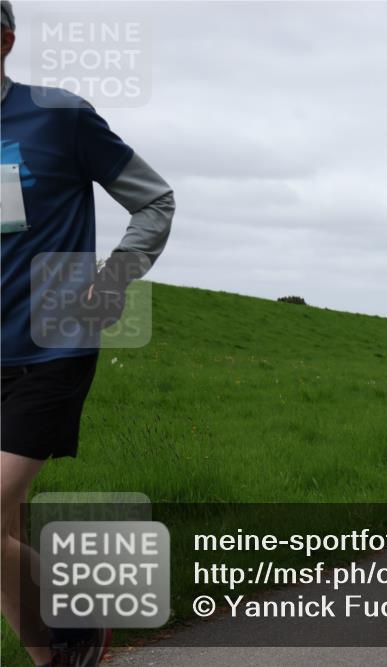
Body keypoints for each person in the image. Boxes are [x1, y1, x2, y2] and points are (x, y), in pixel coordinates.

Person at [1, 3, 175, 665]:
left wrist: (117, 276)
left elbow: (153, 198)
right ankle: (58, 655)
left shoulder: (58, 116)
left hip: (52, 345)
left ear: (6, 40)